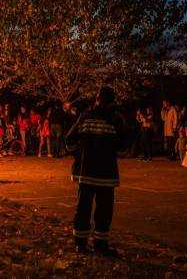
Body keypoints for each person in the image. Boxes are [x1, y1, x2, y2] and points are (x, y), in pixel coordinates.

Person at [66, 86, 124, 256]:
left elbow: (69, 139)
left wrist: (79, 155)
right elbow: (123, 145)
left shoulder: (85, 116)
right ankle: (100, 245)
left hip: (85, 172)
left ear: (97, 99)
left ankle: (80, 244)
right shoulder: (115, 119)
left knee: (83, 208)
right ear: (112, 102)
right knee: (104, 210)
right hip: (106, 174)